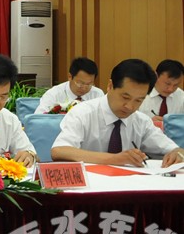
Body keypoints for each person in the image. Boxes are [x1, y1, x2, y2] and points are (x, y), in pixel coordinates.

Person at [51, 59, 184, 167]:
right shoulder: (83, 113)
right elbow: (59, 151)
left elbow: (175, 149)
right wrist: (115, 159)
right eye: (125, 97)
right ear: (110, 86)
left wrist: (178, 154)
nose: (130, 107)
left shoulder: (141, 121)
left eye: (138, 100)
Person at [35, 57, 105, 114]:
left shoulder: (97, 94)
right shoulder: (54, 94)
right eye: (80, 83)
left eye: (89, 84)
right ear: (70, 77)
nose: (84, 88)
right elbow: (39, 118)